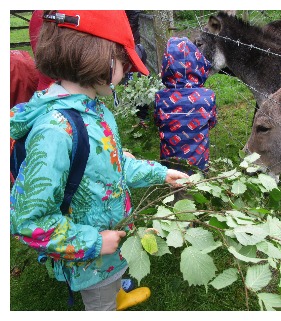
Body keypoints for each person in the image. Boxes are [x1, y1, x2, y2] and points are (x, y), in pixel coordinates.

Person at [10, 10, 190, 311]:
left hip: (111, 239)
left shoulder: (95, 110)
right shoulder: (54, 133)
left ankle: (118, 290)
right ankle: (108, 301)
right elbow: (29, 222)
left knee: (115, 278)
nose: (129, 70)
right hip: (90, 261)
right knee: (101, 304)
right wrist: (92, 243)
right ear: (101, 58)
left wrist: (160, 173)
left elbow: (115, 165)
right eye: (124, 61)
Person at [154, 37, 217, 174]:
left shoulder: (160, 97)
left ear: (166, 66)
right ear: (198, 64)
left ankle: (176, 193)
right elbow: (212, 123)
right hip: (199, 162)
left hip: (170, 163)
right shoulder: (208, 96)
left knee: (175, 186)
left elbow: (157, 122)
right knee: (198, 189)